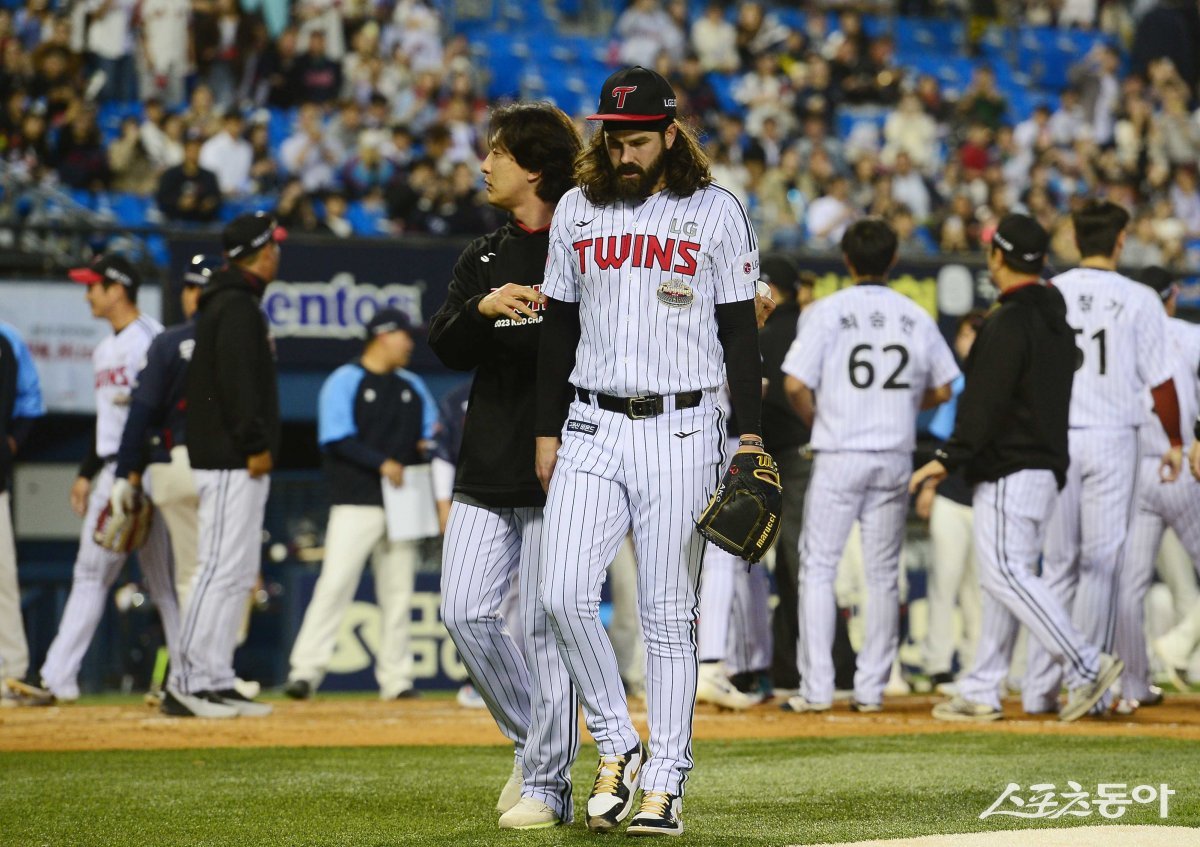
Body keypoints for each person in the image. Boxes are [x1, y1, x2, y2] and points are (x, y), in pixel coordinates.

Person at [534, 66, 763, 837]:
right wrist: (544, 430)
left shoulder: (716, 209)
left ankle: (665, 780)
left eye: (636, 139)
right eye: (613, 138)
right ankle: (617, 739)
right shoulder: (577, 206)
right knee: (562, 592)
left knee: (667, 612)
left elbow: (741, 332)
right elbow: (558, 326)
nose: (622, 152)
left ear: (670, 133)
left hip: (682, 426)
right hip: (590, 423)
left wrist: (750, 435)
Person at [427, 102, 583, 830]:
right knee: (462, 611)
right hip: (488, 459)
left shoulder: (586, 243)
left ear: (536, 168)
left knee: (550, 625)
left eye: (498, 153)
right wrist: (484, 309)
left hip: (568, 460)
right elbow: (445, 345)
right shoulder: (483, 256)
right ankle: (534, 743)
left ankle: (550, 784)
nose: (484, 164)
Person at [911, 213, 1125, 723]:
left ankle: (1085, 664)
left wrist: (947, 458)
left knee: (1005, 572)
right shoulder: (1054, 316)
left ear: (997, 257)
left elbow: (984, 404)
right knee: (1003, 579)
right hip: (1043, 465)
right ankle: (983, 687)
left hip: (1011, 464)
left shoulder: (1009, 320)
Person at [780, 218, 959, 714]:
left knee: (819, 567)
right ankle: (871, 690)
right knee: (882, 575)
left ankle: (817, 689)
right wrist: (904, 405)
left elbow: (794, 383)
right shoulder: (915, 314)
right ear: (894, 260)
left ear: (847, 260)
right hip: (894, 455)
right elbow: (945, 387)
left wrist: (817, 417)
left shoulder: (826, 311)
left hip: (840, 452)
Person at [1022, 200, 1182, 716]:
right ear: (1120, 241)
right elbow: (1162, 383)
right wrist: (1175, 440)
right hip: (1113, 437)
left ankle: (1039, 688)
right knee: (1102, 566)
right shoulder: (1140, 298)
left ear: (1074, 240)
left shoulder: (1051, 291)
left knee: (1058, 565)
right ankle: (1089, 688)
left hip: (1058, 439)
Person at [7, 255, 182, 707]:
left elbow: (159, 412)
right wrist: (87, 472)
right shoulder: (105, 349)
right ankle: (58, 678)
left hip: (146, 468)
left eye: (93, 286)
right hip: (112, 467)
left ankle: (188, 676)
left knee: (162, 580)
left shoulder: (151, 338)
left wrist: (137, 471)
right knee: (93, 573)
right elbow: (108, 421)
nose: (86, 295)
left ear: (117, 289)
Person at [163, 212, 283, 719]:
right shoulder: (233, 304)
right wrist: (254, 442)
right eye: (273, 246)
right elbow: (237, 385)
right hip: (231, 457)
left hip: (234, 458)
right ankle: (184, 682)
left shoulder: (236, 300)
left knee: (234, 572)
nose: (278, 253)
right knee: (216, 567)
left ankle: (213, 677)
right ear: (262, 253)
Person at [285, 309, 434, 701]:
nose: (410, 344)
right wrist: (382, 463)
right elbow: (335, 437)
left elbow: (430, 434)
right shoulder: (345, 379)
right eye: (404, 336)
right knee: (335, 584)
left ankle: (397, 679)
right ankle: (305, 671)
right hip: (356, 500)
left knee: (399, 592)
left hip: (404, 503)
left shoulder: (412, 385)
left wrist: (426, 447)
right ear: (383, 335)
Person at [108, 255, 222, 703]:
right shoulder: (242, 339)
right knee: (226, 573)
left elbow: (142, 412)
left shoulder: (169, 341)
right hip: (227, 468)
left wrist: (125, 472)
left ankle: (195, 674)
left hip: (174, 465)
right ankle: (212, 672)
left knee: (191, 575)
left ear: (191, 294)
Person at [1112, 267, 1200, 713]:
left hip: (1133, 470)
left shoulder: (1118, 334)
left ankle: (1134, 683)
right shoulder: (1187, 334)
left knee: (1128, 586)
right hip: (1181, 463)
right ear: (1172, 295)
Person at [917, 311, 987, 693]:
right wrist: (930, 487)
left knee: (979, 590)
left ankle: (976, 667)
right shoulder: (956, 383)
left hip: (984, 497)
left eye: (975, 335)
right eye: (964, 335)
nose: (968, 342)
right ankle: (939, 665)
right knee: (944, 583)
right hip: (951, 494)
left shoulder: (996, 382)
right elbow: (939, 442)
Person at [759, 260, 814, 696]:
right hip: (798, 454)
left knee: (796, 561)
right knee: (796, 562)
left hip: (784, 456)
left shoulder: (768, 331)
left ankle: (808, 666)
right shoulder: (810, 327)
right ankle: (787, 665)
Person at [0, 320, 45, 705]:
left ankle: (10, 674)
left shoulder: (8, 338)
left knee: (2, 578)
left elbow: (31, 402)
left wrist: (9, 445)